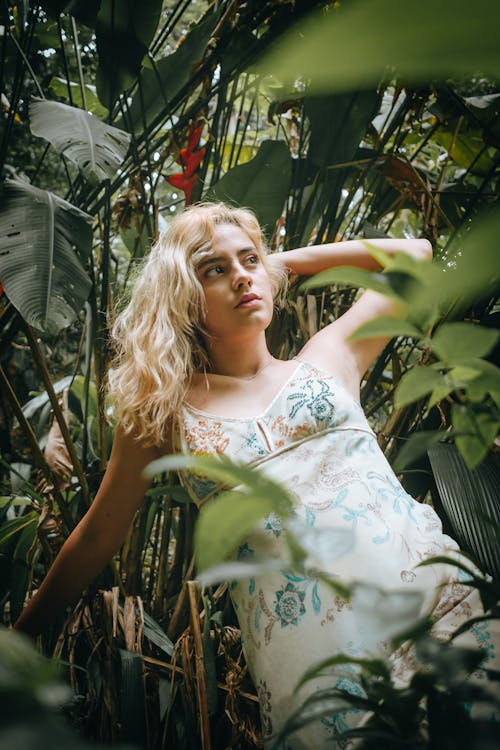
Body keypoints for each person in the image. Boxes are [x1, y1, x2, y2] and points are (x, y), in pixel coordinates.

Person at [14, 203, 497, 747]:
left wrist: (275, 262)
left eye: (248, 260)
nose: (242, 274)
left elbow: (415, 255)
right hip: (317, 655)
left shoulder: (331, 355)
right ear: (183, 298)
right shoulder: (164, 412)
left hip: (429, 603)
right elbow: (99, 534)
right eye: (213, 269)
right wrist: (20, 637)